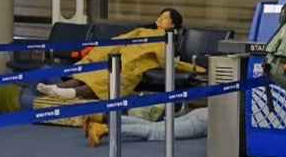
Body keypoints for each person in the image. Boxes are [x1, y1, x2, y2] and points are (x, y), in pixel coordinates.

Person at [36, 9, 196, 99]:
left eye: (164, 18)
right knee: (95, 70)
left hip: (137, 63)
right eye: (159, 16)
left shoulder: (169, 37)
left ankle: (72, 92)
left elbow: (163, 55)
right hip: (122, 56)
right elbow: (120, 40)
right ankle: (58, 87)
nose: (159, 19)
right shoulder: (144, 31)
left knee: (107, 77)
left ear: (173, 24)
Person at [82, 106, 209, 146]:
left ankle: (102, 118)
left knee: (154, 126)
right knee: (156, 132)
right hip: (207, 122)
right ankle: (105, 130)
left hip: (205, 111)